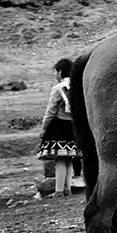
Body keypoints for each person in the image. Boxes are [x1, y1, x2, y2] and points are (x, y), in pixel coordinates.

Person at [37, 58, 82, 196]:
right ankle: (67, 188)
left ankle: (58, 190)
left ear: (60, 71)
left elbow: (50, 112)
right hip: (74, 127)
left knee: (60, 160)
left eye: (56, 72)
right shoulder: (78, 86)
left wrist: (44, 129)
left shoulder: (58, 88)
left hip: (59, 127)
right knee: (69, 159)